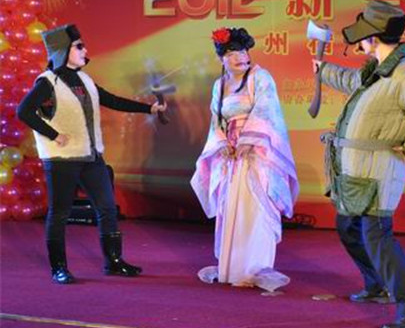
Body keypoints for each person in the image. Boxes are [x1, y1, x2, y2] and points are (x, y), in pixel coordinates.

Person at [313, 0, 405, 328]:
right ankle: (377, 285)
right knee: (348, 226)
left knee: (378, 237)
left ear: (373, 38)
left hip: (377, 173)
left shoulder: (404, 75)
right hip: (359, 173)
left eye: (363, 37)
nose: (359, 43)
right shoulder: (379, 69)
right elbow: (353, 82)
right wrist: (322, 69)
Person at [17, 24, 167, 284]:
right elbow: (24, 111)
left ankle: (114, 262)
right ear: (63, 50)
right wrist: (54, 135)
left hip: (91, 157)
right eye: (79, 46)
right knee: (60, 213)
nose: (85, 50)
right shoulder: (47, 82)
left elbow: (112, 100)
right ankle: (59, 268)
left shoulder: (85, 79)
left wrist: (149, 109)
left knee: (107, 208)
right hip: (62, 159)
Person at [190, 27, 298, 292]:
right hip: (231, 155)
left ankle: (256, 268)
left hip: (258, 153)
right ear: (221, 58)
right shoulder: (219, 85)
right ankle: (233, 267)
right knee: (233, 210)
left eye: (242, 51)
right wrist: (221, 144)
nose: (240, 57)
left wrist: (248, 141)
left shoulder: (260, 77)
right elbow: (216, 120)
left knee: (256, 209)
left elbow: (267, 111)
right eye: (232, 53)